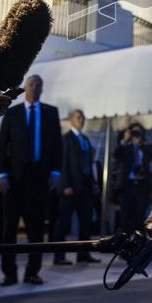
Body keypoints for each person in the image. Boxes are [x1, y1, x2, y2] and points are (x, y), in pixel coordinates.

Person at [0, 75, 62, 286]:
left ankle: (32, 272)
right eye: (32, 84)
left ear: (42, 89)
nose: (35, 87)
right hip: (15, 177)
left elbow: (57, 145)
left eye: (39, 84)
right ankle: (9, 273)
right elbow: (2, 145)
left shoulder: (51, 113)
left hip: (40, 177)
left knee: (36, 228)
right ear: (25, 88)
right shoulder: (13, 113)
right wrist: (1, 174)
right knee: (9, 227)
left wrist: (56, 172)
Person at [53, 109, 101, 265]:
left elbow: (88, 163)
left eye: (83, 117)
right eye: (78, 117)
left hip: (85, 187)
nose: (81, 120)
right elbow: (62, 163)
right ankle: (59, 256)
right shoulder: (65, 139)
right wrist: (64, 185)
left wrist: (93, 183)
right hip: (70, 187)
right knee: (63, 223)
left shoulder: (85, 139)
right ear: (71, 120)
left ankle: (83, 254)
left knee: (85, 222)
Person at [112, 121, 152, 235]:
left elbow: (150, 157)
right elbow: (116, 155)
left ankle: (137, 245)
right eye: (133, 132)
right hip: (126, 186)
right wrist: (125, 141)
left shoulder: (146, 148)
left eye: (138, 132)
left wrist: (140, 143)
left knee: (139, 217)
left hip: (141, 186)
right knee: (125, 217)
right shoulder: (125, 147)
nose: (135, 135)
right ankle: (124, 243)